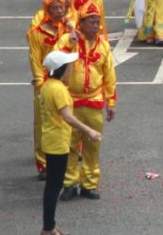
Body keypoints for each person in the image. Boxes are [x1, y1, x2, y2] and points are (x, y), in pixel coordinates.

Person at [56, 2, 116, 201]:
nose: (96, 24)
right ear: (80, 22)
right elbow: (55, 61)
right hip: (71, 101)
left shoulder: (104, 46)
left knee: (92, 145)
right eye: (91, 20)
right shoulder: (68, 40)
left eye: (98, 21)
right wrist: (68, 43)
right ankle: (70, 183)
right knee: (70, 145)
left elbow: (109, 76)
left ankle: (89, 184)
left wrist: (111, 102)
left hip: (94, 102)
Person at [39, 50, 102, 235]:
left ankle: (50, 225)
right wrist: (89, 130)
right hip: (57, 142)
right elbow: (68, 117)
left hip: (51, 139)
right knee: (54, 186)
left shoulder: (48, 85)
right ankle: (48, 228)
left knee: (53, 184)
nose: (72, 68)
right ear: (60, 69)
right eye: (69, 65)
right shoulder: (58, 89)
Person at [27, 0, 73, 177]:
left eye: (61, 7)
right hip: (45, 83)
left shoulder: (68, 28)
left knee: (68, 120)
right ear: (47, 10)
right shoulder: (36, 33)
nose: (59, 11)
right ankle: (43, 162)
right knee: (43, 124)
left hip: (66, 82)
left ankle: (69, 159)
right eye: (54, 8)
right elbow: (35, 59)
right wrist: (40, 81)